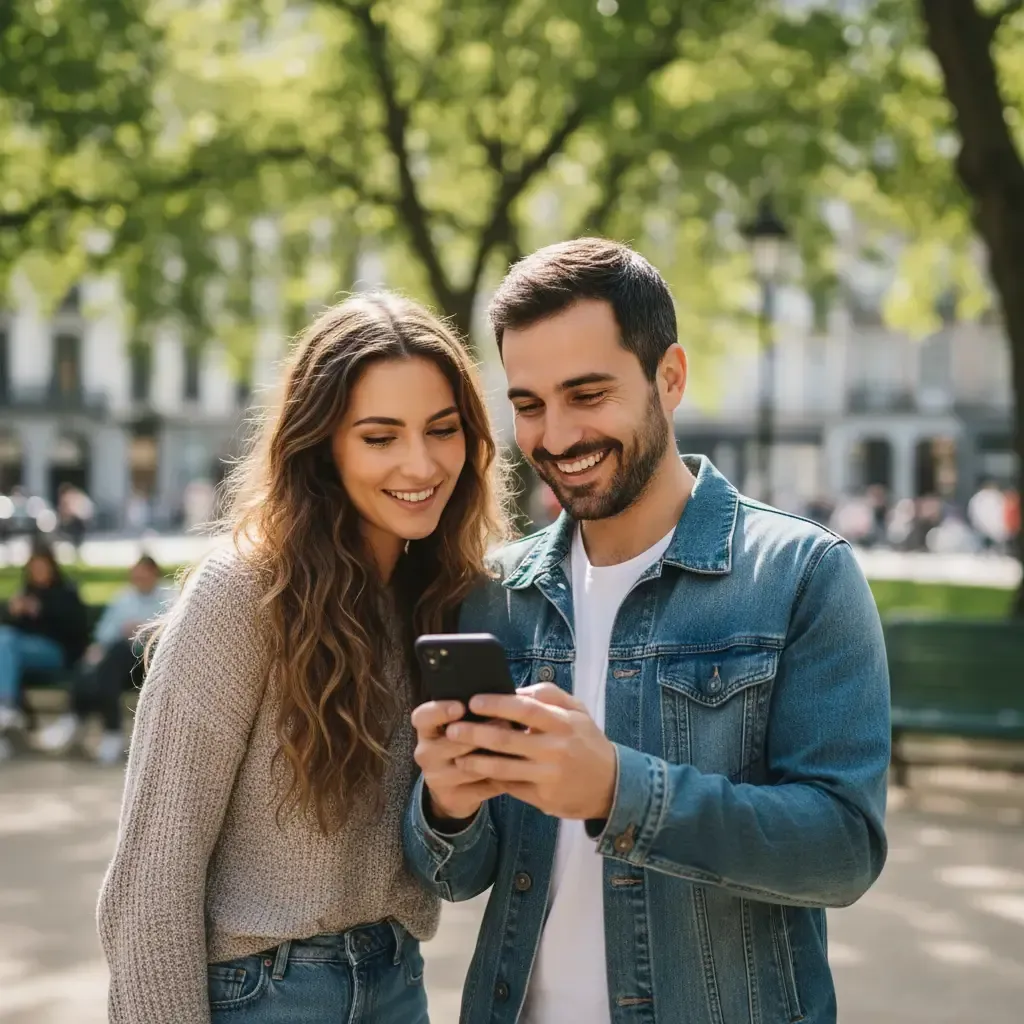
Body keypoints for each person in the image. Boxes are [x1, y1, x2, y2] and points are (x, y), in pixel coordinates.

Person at [405, 239, 891, 1024]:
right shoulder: (496, 595)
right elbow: (457, 876)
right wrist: (449, 806)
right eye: (528, 404)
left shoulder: (801, 575)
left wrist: (618, 790)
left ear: (669, 379)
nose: (555, 437)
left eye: (587, 394)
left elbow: (842, 851)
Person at [97, 293, 506, 1024]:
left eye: (442, 430)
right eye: (380, 436)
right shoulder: (244, 590)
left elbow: (456, 874)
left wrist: (453, 803)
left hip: (397, 984)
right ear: (324, 446)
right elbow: (151, 880)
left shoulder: (447, 600)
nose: (421, 462)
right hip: (260, 994)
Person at [38, 554, 176, 764]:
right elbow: (104, 632)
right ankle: (97, 726)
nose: (139, 581)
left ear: (153, 574)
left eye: (143, 576)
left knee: (117, 653)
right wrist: (97, 649)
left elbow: (173, 632)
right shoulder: (124, 598)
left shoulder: (169, 596)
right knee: (93, 663)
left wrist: (144, 630)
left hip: (150, 662)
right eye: (135, 576)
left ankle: (79, 718)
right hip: (117, 661)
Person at [0, 543, 89, 761]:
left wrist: (40, 610)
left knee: (6, 642)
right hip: (21, 653)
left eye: (42, 567)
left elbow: (74, 628)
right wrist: (13, 611)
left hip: (56, 652)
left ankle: (8, 706)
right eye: (34, 568)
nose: (38, 572)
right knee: (5, 640)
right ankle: (9, 722)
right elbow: (11, 628)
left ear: (52, 567)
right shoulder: (26, 591)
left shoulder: (66, 593)